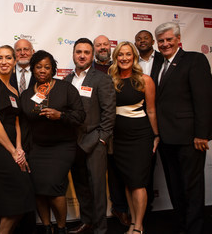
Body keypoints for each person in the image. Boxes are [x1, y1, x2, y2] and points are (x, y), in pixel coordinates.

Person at [153, 22, 212, 234]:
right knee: (175, 186)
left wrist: (202, 134)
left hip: (190, 138)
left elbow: (204, 100)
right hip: (166, 138)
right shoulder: (158, 65)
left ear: (178, 40)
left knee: (192, 187)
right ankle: (182, 226)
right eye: (161, 41)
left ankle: (194, 229)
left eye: (169, 39)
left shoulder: (194, 60)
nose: (165, 44)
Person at [20, 50, 85, 234]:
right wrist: (24, 150)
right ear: (32, 69)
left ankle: (62, 227)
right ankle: (47, 227)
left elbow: (80, 116)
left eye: (47, 67)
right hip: (36, 149)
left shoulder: (66, 89)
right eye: (39, 67)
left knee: (55, 188)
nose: (42, 70)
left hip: (62, 147)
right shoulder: (26, 95)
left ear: (53, 69)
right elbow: (24, 125)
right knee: (39, 189)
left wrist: (60, 115)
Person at [64, 38, 116, 234]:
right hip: (74, 143)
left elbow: (109, 112)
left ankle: (101, 229)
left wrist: (102, 138)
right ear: (73, 54)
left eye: (86, 52)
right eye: (79, 52)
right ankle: (87, 222)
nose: (82, 55)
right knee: (81, 185)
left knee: (97, 188)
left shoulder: (101, 79)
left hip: (95, 141)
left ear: (92, 55)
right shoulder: (67, 80)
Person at [0, 45, 35, 233]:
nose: (4, 62)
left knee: (23, 197)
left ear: (14, 62)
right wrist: (12, 152)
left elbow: (17, 121)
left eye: (8, 58)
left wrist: (19, 149)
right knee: (15, 198)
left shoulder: (12, 88)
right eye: (0, 58)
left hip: (13, 147)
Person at [108, 41, 159, 234]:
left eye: (128, 54)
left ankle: (139, 225)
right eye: (120, 55)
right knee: (129, 181)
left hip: (140, 137)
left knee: (138, 182)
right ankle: (132, 222)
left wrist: (156, 135)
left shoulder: (145, 80)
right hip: (119, 138)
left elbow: (152, 110)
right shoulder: (111, 79)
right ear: (116, 58)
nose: (124, 58)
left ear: (134, 57)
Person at [93, 35, 130, 226]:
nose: (102, 47)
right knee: (97, 174)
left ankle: (121, 208)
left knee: (118, 171)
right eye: (98, 45)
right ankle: (93, 218)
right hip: (95, 130)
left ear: (110, 47)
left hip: (120, 129)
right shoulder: (89, 70)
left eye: (105, 44)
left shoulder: (118, 68)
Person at [134, 30, 164, 212]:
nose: (142, 41)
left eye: (146, 38)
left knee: (165, 164)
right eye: (138, 39)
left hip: (162, 118)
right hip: (137, 121)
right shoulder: (130, 61)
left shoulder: (164, 59)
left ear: (153, 41)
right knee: (143, 167)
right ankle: (144, 211)